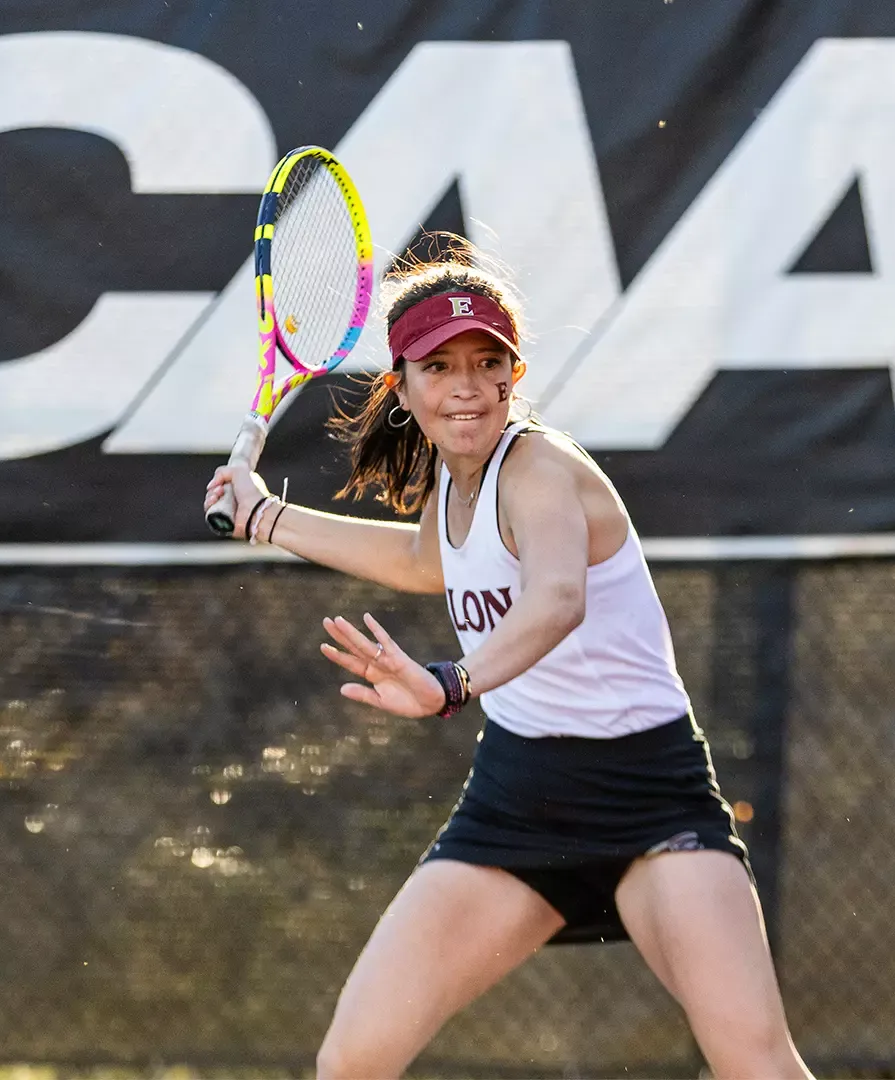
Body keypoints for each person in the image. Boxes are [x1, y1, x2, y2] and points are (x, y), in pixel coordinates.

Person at [204, 247, 812, 1080]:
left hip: (651, 797)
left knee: (756, 1066)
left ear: (512, 375)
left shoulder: (540, 471)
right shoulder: (455, 483)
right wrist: (265, 517)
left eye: (487, 363)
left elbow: (557, 599)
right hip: (519, 798)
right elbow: (429, 565)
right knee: (351, 1062)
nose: (465, 385)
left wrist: (451, 681)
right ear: (403, 385)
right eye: (440, 366)